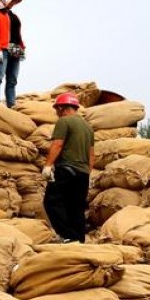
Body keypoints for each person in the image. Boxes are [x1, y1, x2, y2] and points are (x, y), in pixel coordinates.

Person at [42, 93, 95, 243]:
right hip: (83, 174)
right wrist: (86, 173)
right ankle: (79, 240)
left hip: (66, 170)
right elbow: (92, 155)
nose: (56, 113)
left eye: (57, 109)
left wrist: (48, 165)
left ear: (61, 107)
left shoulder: (64, 121)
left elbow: (57, 144)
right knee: (76, 208)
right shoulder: (88, 128)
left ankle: (68, 236)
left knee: (51, 202)